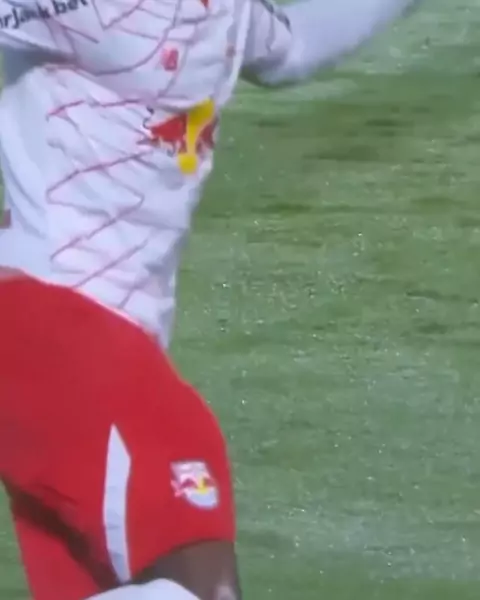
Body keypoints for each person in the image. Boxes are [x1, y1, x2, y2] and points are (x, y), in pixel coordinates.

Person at [0, 0, 423, 599]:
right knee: (202, 584)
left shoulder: (224, 10)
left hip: (89, 350)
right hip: (58, 328)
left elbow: (291, 46)